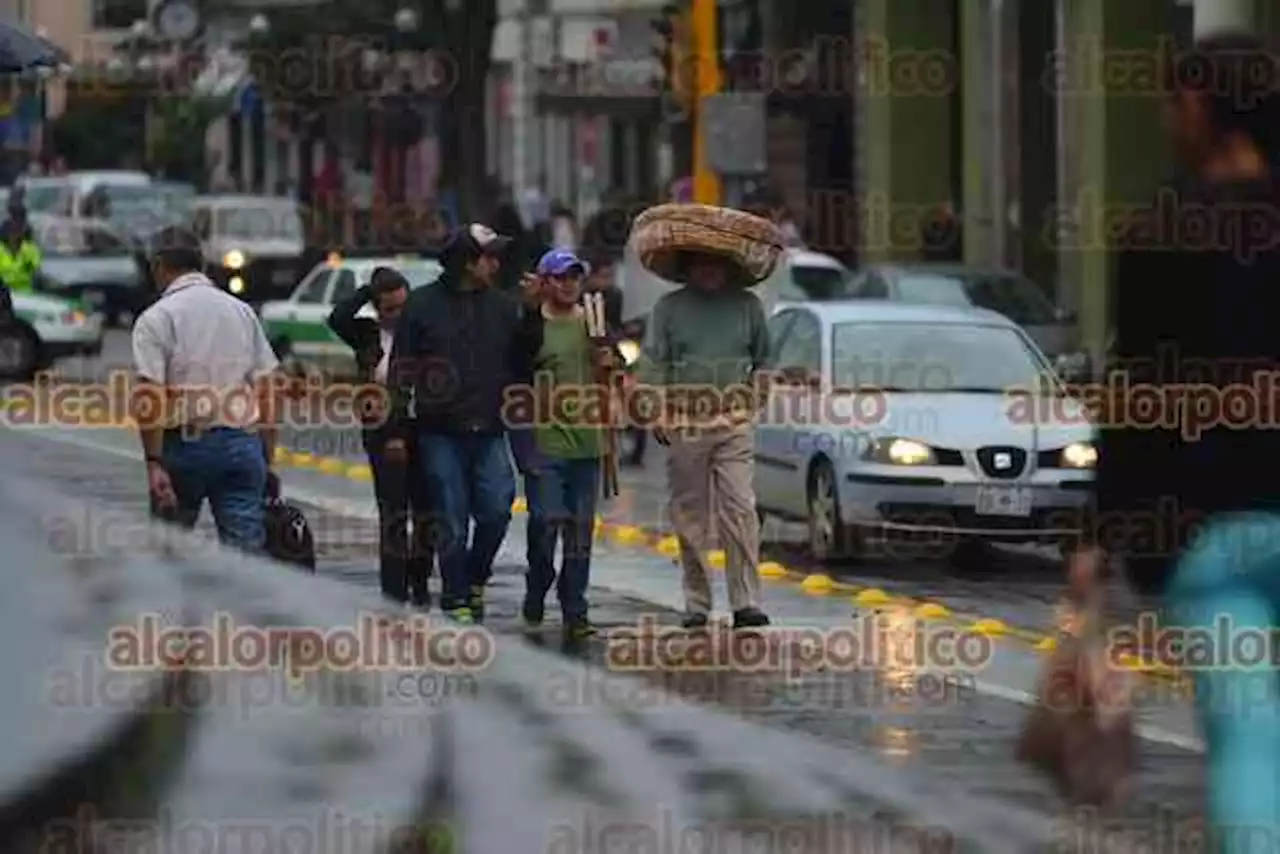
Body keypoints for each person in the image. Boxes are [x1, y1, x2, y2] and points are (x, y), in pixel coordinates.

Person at [1066, 33, 1280, 849]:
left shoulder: (1165, 227)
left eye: (1170, 100)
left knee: (1247, 732)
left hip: (1209, 528)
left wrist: (1098, 536)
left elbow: (1136, 394)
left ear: (1200, 107)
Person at [387, 224, 532, 623]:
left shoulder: (504, 307)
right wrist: (397, 430)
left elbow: (524, 363)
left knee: (497, 509)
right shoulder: (421, 305)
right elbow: (401, 370)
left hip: (489, 429)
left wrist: (533, 313)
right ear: (467, 262)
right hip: (439, 431)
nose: (496, 263)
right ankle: (455, 595)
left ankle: (475, 577)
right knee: (450, 515)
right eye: (489, 256)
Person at [634, 250, 772, 629]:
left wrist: (754, 401)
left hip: (733, 421)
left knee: (740, 508)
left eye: (716, 264)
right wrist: (657, 410)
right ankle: (697, 602)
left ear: (729, 268)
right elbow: (653, 362)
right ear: (688, 268)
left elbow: (763, 361)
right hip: (685, 421)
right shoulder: (669, 309)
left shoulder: (747, 306)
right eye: (701, 263)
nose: (709, 270)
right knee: (690, 514)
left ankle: (746, 601)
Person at [131, 226, 280, 553]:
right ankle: (243, 605)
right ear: (202, 266)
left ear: (158, 266)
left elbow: (150, 396)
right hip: (241, 444)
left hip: (184, 447)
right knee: (246, 558)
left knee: (168, 555)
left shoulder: (156, 318)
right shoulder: (241, 312)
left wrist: (154, 462)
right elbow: (268, 388)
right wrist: (266, 455)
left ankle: (174, 605)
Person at [517, 248, 620, 642]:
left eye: (574, 278)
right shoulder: (532, 326)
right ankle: (537, 582)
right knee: (544, 523)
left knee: (579, 534)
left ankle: (575, 608)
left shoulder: (593, 322)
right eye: (560, 278)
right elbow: (516, 373)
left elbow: (616, 365)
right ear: (544, 282)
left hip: (588, 444)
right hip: (546, 443)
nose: (569, 285)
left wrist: (611, 362)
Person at [327, 267, 433, 606]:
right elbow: (338, 317)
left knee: (427, 513)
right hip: (381, 435)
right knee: (393, 515)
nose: (397, 315)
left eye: (403, 306)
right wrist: (366, 292)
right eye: (389, 309)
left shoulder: (422, 332)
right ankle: (394, 593)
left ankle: (419, 580)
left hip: (424, 431)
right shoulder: (367, 334)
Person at [0, 200, 39, 293]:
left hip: (25, 294)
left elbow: (37, 272)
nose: (15, 234)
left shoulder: (30, 249)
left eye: (18, 230)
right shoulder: (1, 250)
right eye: (12, 230)